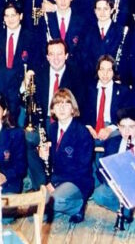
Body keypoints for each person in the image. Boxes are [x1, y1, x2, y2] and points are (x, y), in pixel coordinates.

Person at [22, 39, 83, 190]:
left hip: (66, 123)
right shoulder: (38, 74)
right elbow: (23, 101)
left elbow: (81, 105)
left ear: (66, 55)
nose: (56, 58)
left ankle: (52, 184)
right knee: (27, 138)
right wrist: (24, 85)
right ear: (47, 57)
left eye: (60, 54)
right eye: (51, 54)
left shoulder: (77, 75)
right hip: (42, 122)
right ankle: (42, 185)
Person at [39, 88, 94, 223]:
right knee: (39, 200)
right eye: (58, 104)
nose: (62, 108)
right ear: (52, 110)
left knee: (54, 201)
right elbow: (53, 160)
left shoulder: (82, 133)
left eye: (66, 104)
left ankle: (79, 206)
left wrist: (53, 183)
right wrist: (43, 154)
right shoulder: (52, 129)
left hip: (77, 181)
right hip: (58, 179)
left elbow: (81, 169)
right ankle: (58, 206)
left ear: (72, 108)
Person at [93, 107, 135, 220]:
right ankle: (126, 211)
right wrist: (112, 183)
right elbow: (102, 168)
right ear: (118, 127)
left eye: (131, 127)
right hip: (118, 186)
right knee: (99, 195)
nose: (127, 131)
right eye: (123, 127)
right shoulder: (112, 142)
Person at [82, 55, 133, 144]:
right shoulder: (88, 88)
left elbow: (125, 116)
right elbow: (82, 112)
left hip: (114, 126)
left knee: (113, 142)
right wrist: (89, 128)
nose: (105, 74)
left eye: (109, 70)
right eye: (102, 69)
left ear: (114, 72)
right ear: (97, 71)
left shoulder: (123, 91)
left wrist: (109, 129)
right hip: (92, 126)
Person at [80, 0, 129, 79]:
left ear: (112, 10)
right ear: (95, 11)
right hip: (91, 79)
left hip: (114, 79)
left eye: (105, 9)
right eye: (99, 9)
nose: (102, 13)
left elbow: (124, 59)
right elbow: (83, 56)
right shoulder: (87, 31)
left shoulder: (121, 31)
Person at [35, 0, 85, 64]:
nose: (63, 1)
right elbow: (41, 47)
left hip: (75, 68)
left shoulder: (81, 21)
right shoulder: (44, 19)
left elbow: (83, 49)